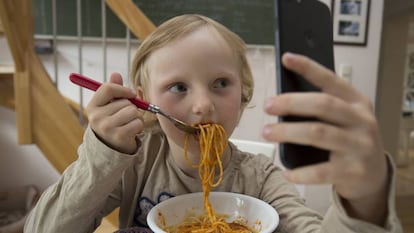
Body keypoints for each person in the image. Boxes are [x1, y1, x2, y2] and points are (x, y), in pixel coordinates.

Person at [24, 14, 402, 233]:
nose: (203, 106)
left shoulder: (261, 179)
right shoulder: (133, 163)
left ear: (244, 94)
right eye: (177, 87)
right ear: (146, 100)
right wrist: (102, 153)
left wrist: (364, 198)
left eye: (221, 84)